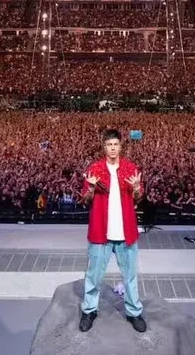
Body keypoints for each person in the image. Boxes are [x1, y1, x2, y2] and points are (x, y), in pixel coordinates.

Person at [78, 129, 146, 332]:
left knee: (130, 276)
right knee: (94, 275)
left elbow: (138, 198)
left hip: (126, 234)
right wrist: (90, 189)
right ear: (104, 146)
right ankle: (89, 310)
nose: (113, 148)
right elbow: (85, 200)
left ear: (121, 146)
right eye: (109, 144)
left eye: (116, 144)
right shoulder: (95, 169)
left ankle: (134, 312)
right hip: (101, 234)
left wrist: (136, 188)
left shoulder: (130, 168)